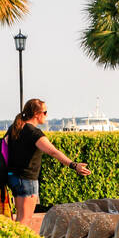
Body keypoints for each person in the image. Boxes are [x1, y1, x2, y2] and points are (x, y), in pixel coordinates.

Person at [2, 98, 89, 229]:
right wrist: (74, 165)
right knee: (24, 221)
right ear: (36, 114)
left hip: (13, 178)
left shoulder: (15, 128)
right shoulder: (33, 133)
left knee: (19, 219)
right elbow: (53, 152)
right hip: (27, 180)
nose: (47, 115)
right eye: (45, 112)